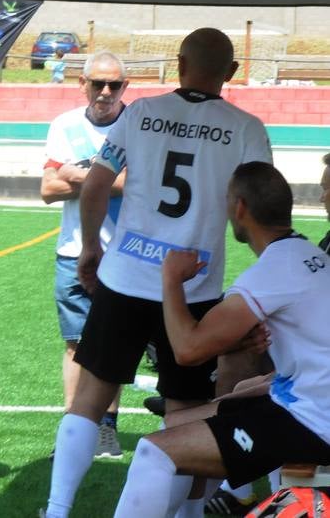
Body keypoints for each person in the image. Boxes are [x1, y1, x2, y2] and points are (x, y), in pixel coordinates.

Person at [41, 28, 273, 518]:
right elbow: (256, 207)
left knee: (89, 399)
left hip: (125, 277)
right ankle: (185, 514)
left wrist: (90, 248)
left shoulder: (140, 112)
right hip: (194, 288)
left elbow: (95, 185)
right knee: (185, 411)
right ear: (231, 72)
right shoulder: (246, 127)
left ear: (180, 64)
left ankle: (57, 510)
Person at [112, 162, 330, 518]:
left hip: (314, 422)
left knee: (154, 452)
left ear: (239, 208)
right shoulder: (310, 254)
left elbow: (188, 350)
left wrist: (170, 279)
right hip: (306, 402)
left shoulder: (273, 271)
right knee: (176, 426)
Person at [40, 53, 128, 460]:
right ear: (83, 84)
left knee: (113, 345)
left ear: (125, 87)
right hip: (72, 252)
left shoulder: (137, 124)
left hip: (124, 254)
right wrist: (107, 177)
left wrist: (77, 172)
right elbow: (48, 189)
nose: (106, 92)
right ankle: (74, 427)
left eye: (114, 85)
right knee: (76, 343)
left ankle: (107, 427)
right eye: (98, 84)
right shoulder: (64, 125)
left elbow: (136, 184)